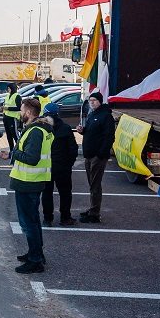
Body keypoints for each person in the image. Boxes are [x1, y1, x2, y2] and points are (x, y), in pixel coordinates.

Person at [0, 98, 54, 274]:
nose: (20, 113)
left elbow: (31, 158)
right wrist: (12, 155)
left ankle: (35, 260)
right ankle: (35, 253)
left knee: (28, 222)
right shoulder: (39, 129)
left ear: (29, 112)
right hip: (32, 180)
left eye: (22, 110)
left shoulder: (35, 131)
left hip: (28, 182)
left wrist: (14, 153)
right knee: (33, 221)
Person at [76, 92, 115, 224]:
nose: (91, 102)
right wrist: (83, 130)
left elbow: (109, 137)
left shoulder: (106, 116)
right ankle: (93, 208)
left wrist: (101, 154)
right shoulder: (92, 114)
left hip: (97, 156)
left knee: (95, 185)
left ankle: (94, 213)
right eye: (90, 100)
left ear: (100, 101)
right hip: (89, 155)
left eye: (94, 100)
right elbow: (92, 131)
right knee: (92, 184)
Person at [41, 103, 78, 227]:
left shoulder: (42, 128)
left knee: (47, 193)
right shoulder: (65, 128)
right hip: (63, 167)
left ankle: (47, 219)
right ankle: (65, 217)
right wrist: (69, 164)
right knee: (65, 193)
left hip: (46, 167)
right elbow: (73, 148)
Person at [2, 83, 22, 152]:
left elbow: (19, 108)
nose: (8, 90)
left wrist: (8, 108)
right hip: (6, 117)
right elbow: (5, 105)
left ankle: (19, 149)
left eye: (9, 88)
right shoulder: (7, 96)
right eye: (7, 88)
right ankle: (11, 150)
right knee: (8, 135)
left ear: (12, 88)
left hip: (13, 118)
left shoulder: (17, 96)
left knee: (15, 135)